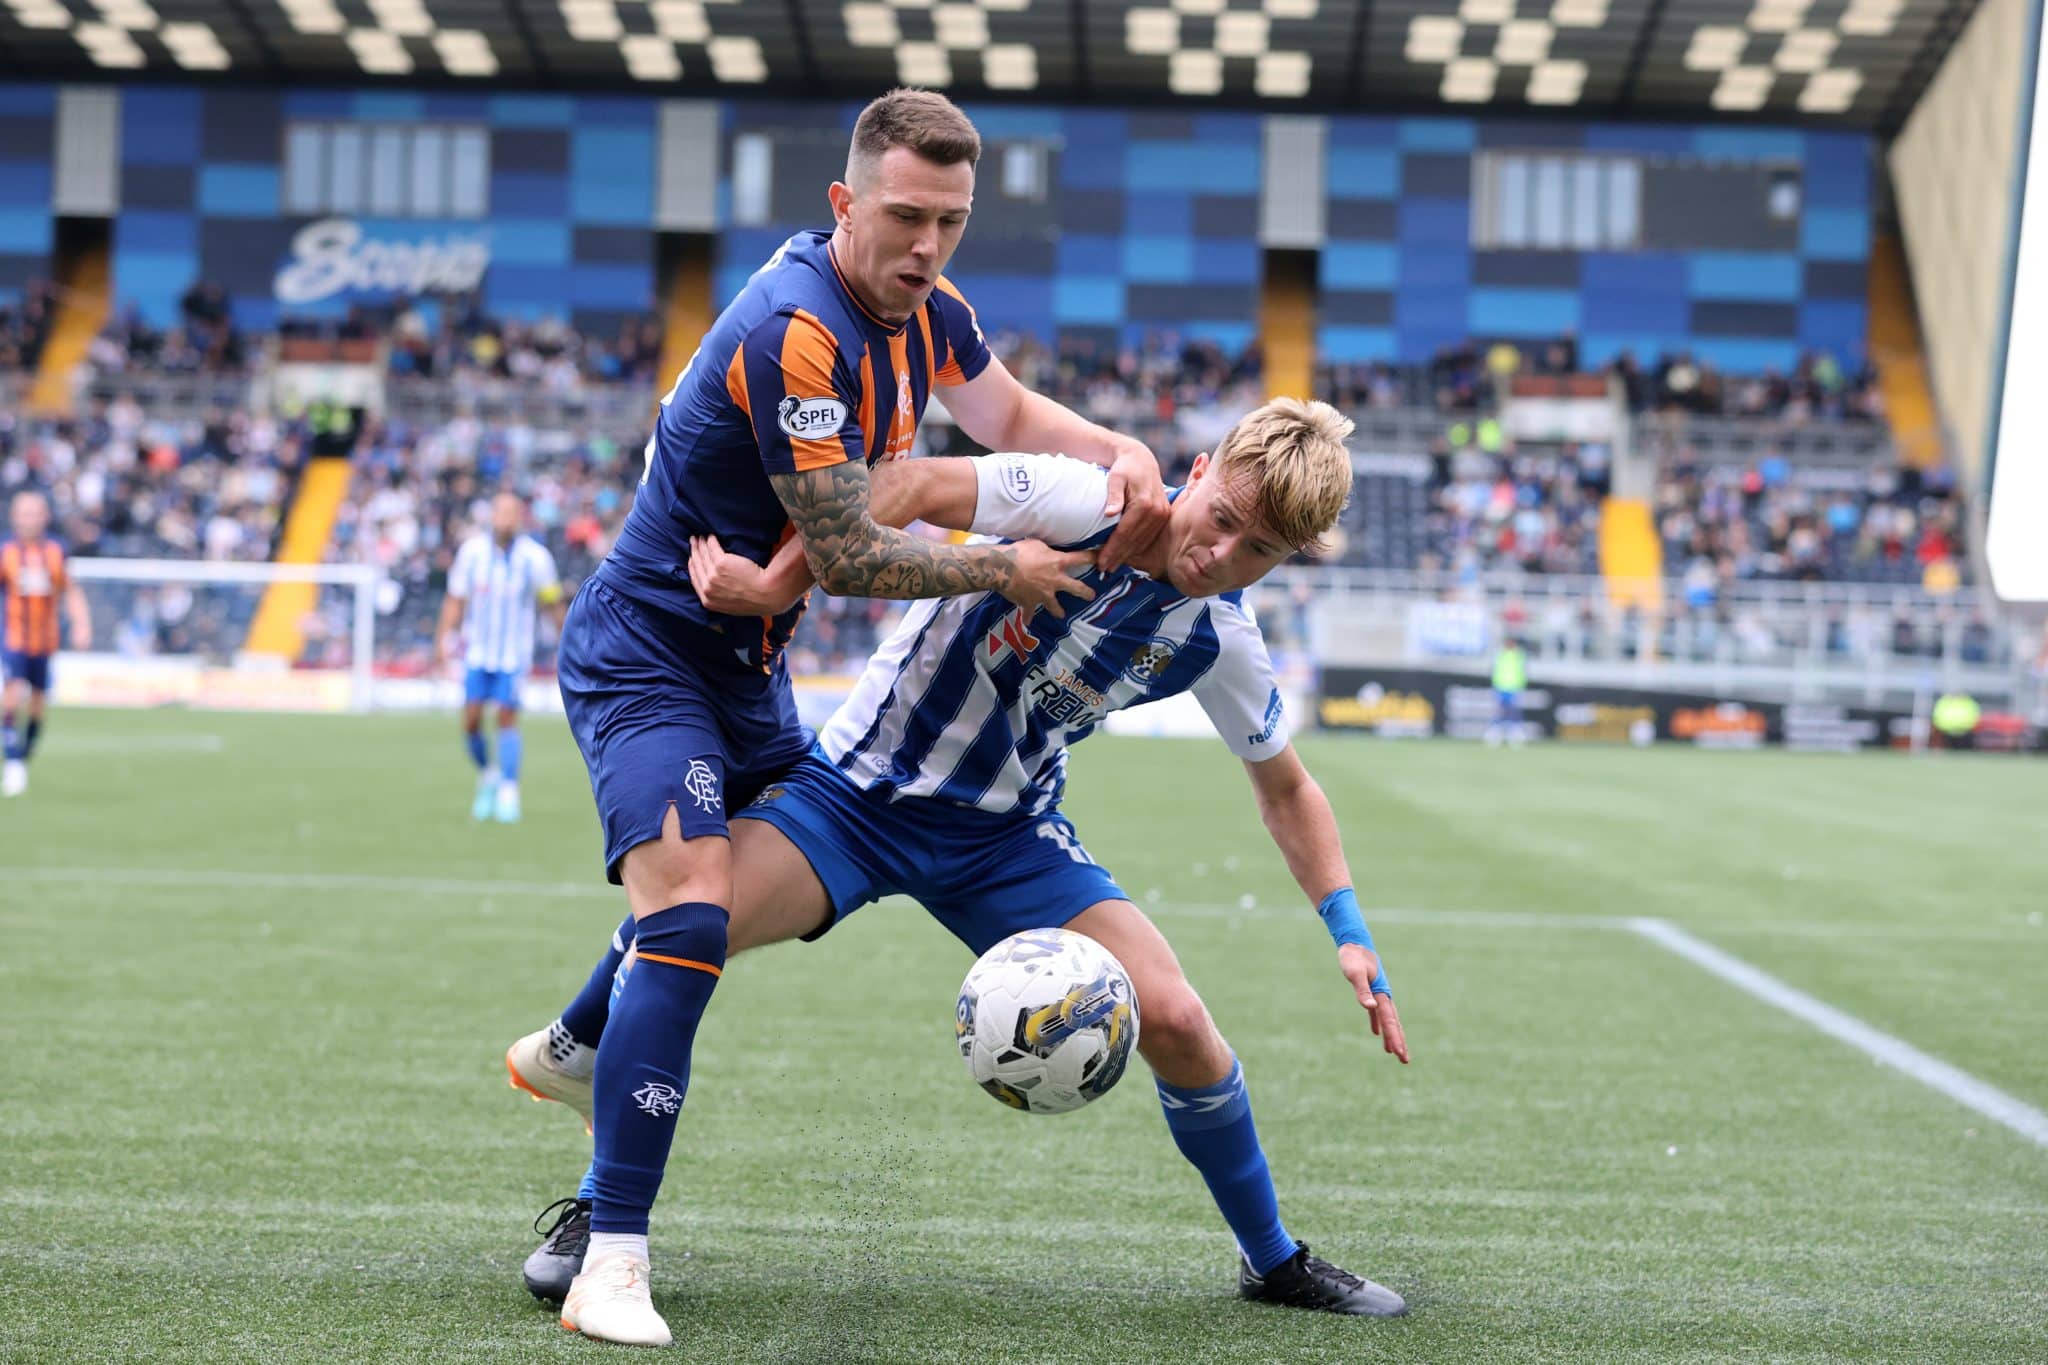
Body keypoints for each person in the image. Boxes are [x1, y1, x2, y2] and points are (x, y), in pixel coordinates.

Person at [510, 400, 1412, 1328]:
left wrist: (1348, 932)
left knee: (1178, 1017)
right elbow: (903, 484)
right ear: (1205, 465)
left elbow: (1288, 789)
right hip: (853, 800)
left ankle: (1272, 1258)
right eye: (1224, 519)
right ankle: (600, 1206)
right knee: (684, 929)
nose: (1223, 556)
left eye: (1257, 549)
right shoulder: (1080, 502)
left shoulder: (1218, 639)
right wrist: (785, 580)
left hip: (1006, 838)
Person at [526, 87, 1168, 1346]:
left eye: (951, 221)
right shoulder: (795, 332)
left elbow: (1010, 419)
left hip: (749, 671)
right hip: (650, 654)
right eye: (905, 215)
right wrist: (1003, 565)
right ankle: (609, 1256)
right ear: (843, 204)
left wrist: (1121, 448)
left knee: (715, 916)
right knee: (693, 914)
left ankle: (570, 1043)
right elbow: (852, 549)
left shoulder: (933, 314)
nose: (926, 245)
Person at [433, 491, 566, 823]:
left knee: (506, 718)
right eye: (501, 512)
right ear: (491, 515)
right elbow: (455, 599)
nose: (506, 518)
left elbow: (551, 603)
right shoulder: (472, 553)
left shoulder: (536, 558)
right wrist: (442, 639)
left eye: (512, 513)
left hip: (513, 656)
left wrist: (567, 642)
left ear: (519, 518)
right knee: (471, 721)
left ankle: (509, 788)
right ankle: (488, 774)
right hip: (477, 652)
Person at [1, 490, 91, 798]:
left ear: (45, 516)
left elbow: (71, 590)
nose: (29, 519)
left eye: (34, 513)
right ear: (14, 517)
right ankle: (13, 760)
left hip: (45, 641)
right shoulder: (6, 553)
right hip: (13, 638)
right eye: (23, 513)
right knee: (12, 693)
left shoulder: (56, 552)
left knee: (38, 704)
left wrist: (81, 623)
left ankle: (21, 755)